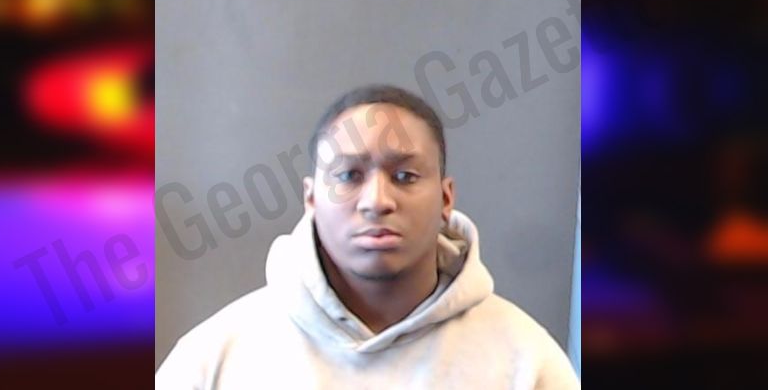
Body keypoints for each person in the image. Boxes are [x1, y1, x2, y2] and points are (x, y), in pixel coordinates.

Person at [156, 84, 579, 389]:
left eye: (404, 176)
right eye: (348, 176)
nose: (376, 201)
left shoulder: (527, 363)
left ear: (446, 198)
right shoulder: (213, 358)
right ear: (310, 198)